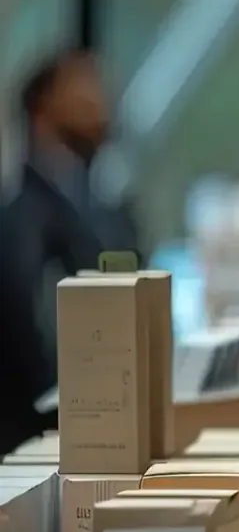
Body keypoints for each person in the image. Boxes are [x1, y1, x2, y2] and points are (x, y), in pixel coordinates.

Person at [0, 48, 140, 452]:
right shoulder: (22, 223)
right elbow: (38, 348)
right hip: (44, 443)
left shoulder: (97, 206)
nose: (100, 101)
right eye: (84, 87)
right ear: (43, 107)